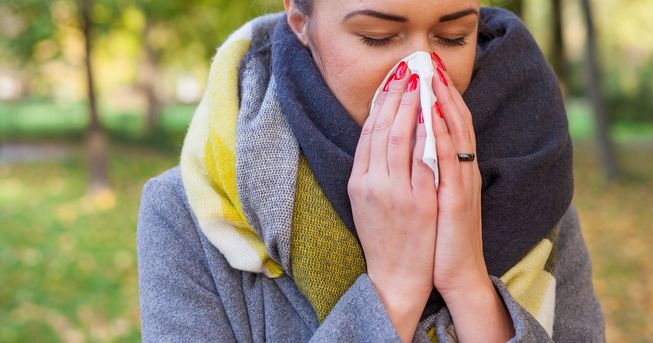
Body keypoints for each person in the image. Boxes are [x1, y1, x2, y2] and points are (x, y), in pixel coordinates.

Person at [136, 0, 605, 342]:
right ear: (301, 21)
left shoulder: (533, 180)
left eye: (454, 36)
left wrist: (469, 286)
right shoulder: (188, 213)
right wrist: (392, 294)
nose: (422, 70)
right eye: (377, 36)